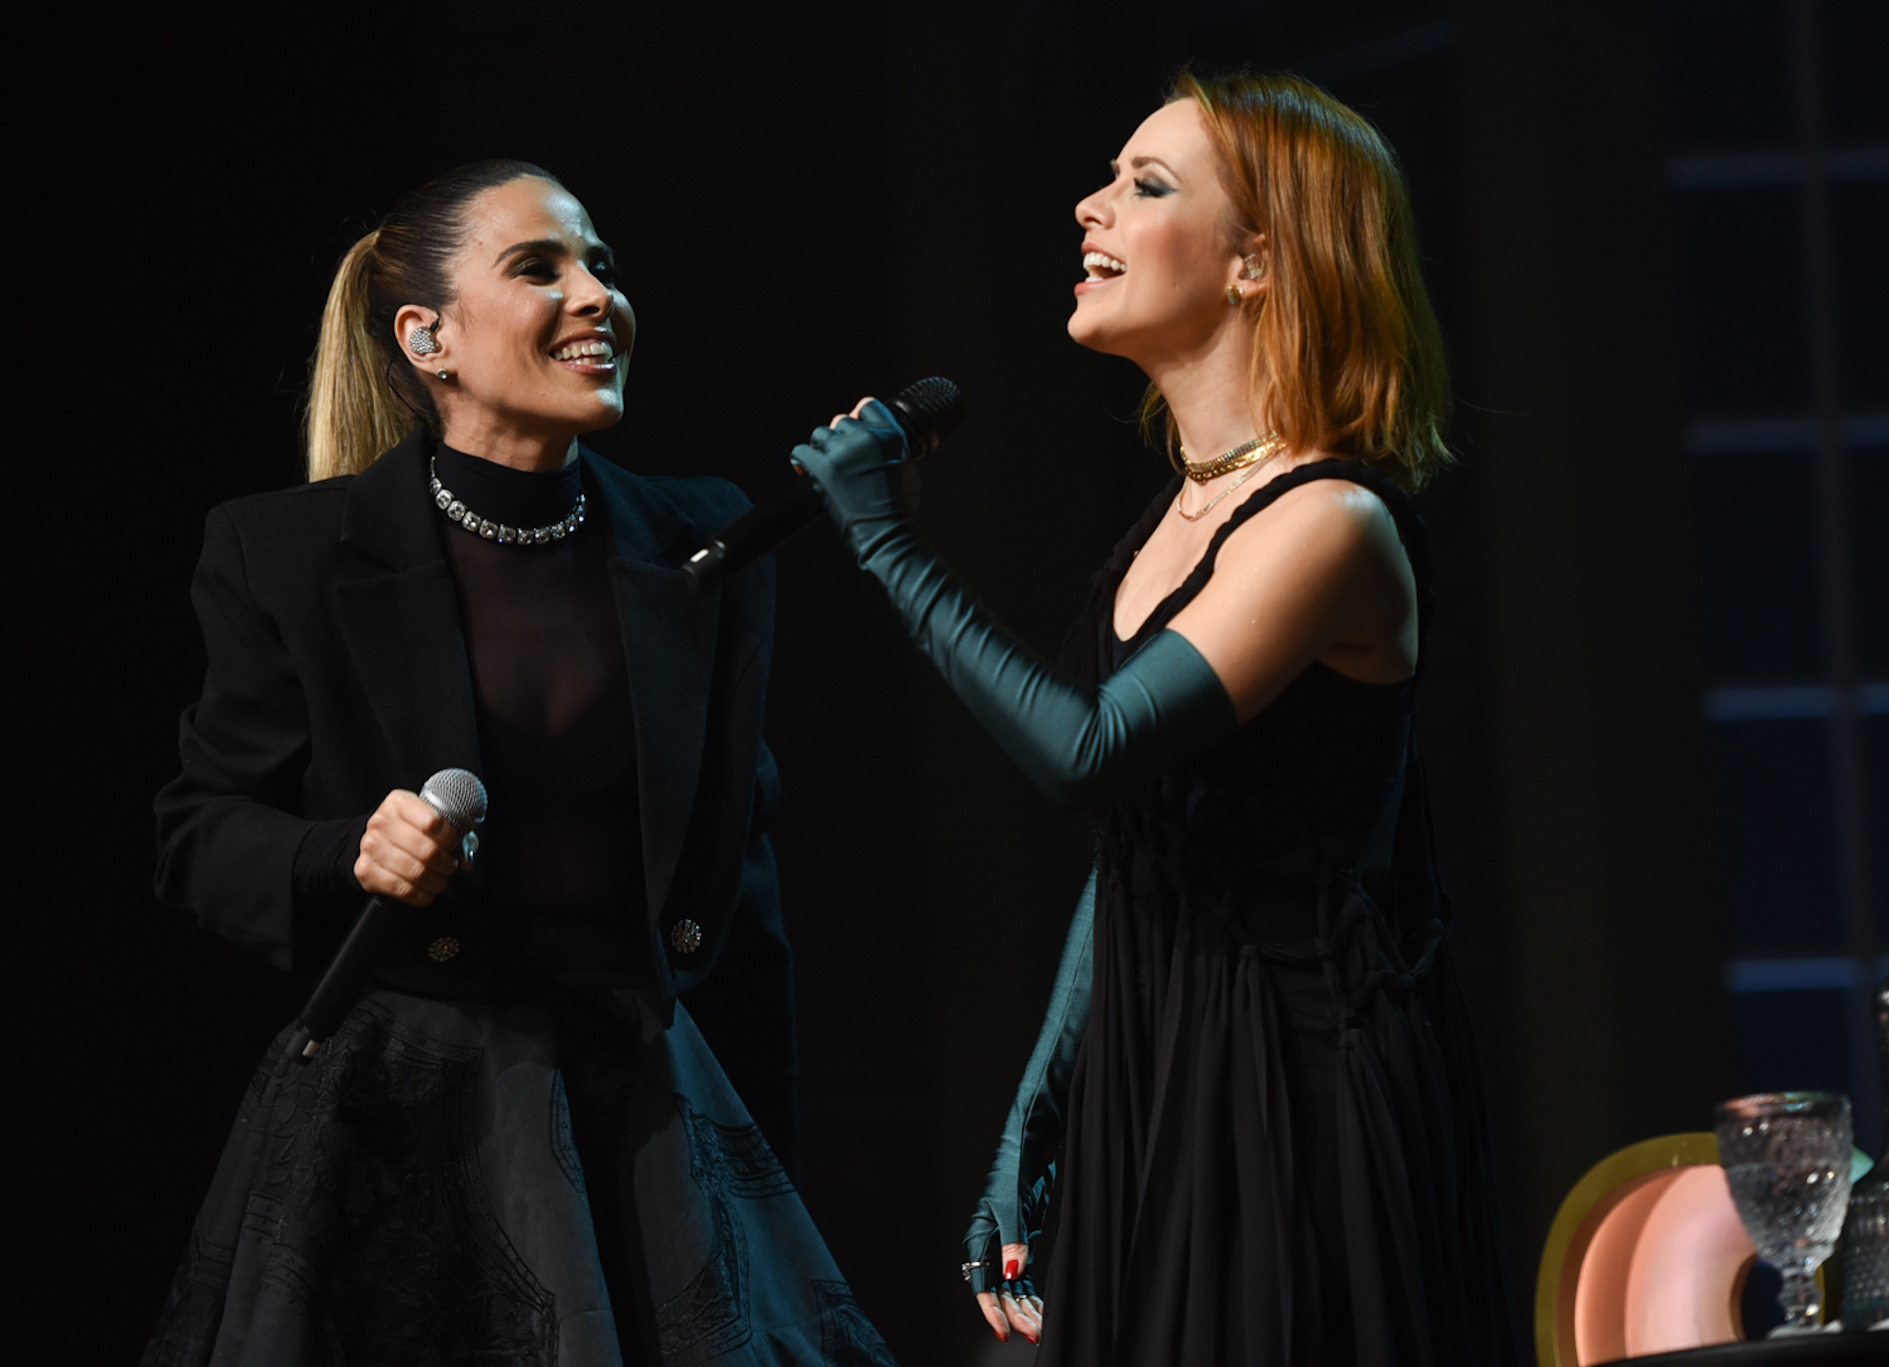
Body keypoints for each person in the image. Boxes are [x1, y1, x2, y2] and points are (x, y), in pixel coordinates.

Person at [789, 72, 1516, 1365]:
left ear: (1256, 264)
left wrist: (886, 544)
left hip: (1297, 1084)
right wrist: (1045, 1091)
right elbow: (1145, 839)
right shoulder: (1162, 531)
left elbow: (1087, 751)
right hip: (1164, 1059)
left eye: (1146, 185)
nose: (1090, 207)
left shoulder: (1328, 522)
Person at [144, 160, 894, 1367]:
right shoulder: (286, 551)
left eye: (600, 263)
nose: (595, 293)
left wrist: (762, 1173)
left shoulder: (700, 541)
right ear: (426, 336)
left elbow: (740, 896)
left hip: (648, 1119)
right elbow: (198, 829)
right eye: (539, 266)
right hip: (407, 1123)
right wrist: (349, 850)